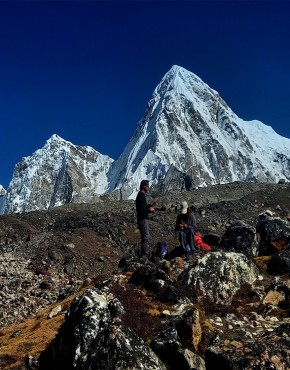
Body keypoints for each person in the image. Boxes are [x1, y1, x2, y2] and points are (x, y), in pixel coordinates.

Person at [135, 180, 158, 260]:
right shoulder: (141, 196)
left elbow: (143, 207)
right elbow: (142, 209)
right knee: (146, 237)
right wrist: (150, 210)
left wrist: (151, 204)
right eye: (148, 186)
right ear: (144, 187)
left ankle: (144, 254)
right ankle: (145, 255)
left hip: (142, 219)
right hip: (142, 219)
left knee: (145, 236)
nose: (149, 188)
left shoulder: (141, 195)